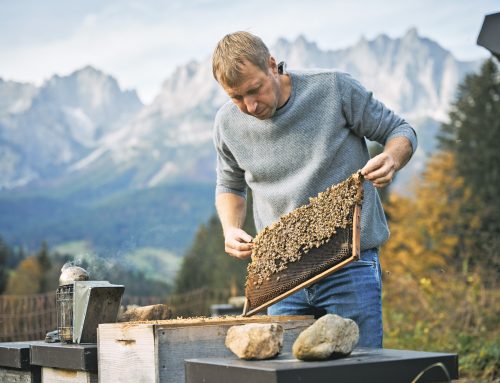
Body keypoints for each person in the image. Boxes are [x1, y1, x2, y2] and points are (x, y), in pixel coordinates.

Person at [211, 31, 417, 348]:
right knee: (288, 374)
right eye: (236, 98)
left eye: (255, 90)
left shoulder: (333, 88)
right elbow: (229, 183)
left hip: (350, 265)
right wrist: (229, 229)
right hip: (281, 277)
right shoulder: (226, 124)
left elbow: (399, 130)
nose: (250, 106)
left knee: (358, 369)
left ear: (271, 65)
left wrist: (392, 157)